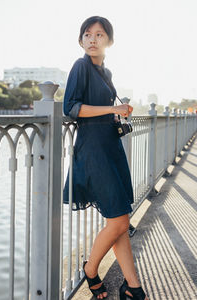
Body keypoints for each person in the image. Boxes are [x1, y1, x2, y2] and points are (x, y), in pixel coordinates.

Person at [63, 16, 149, 300]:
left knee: (119, 220)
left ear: (109, 41)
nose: (92, 40)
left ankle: (133, 287)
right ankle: (90, 268)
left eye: (99, 35)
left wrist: (118, 111)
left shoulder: (106, 73)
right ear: (81, 40)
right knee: (119, 222)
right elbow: (72, 107)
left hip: (110, 148)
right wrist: (110, 109)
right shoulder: (80, 67)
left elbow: (100, 107)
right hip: (93, 151)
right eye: (87, 35)